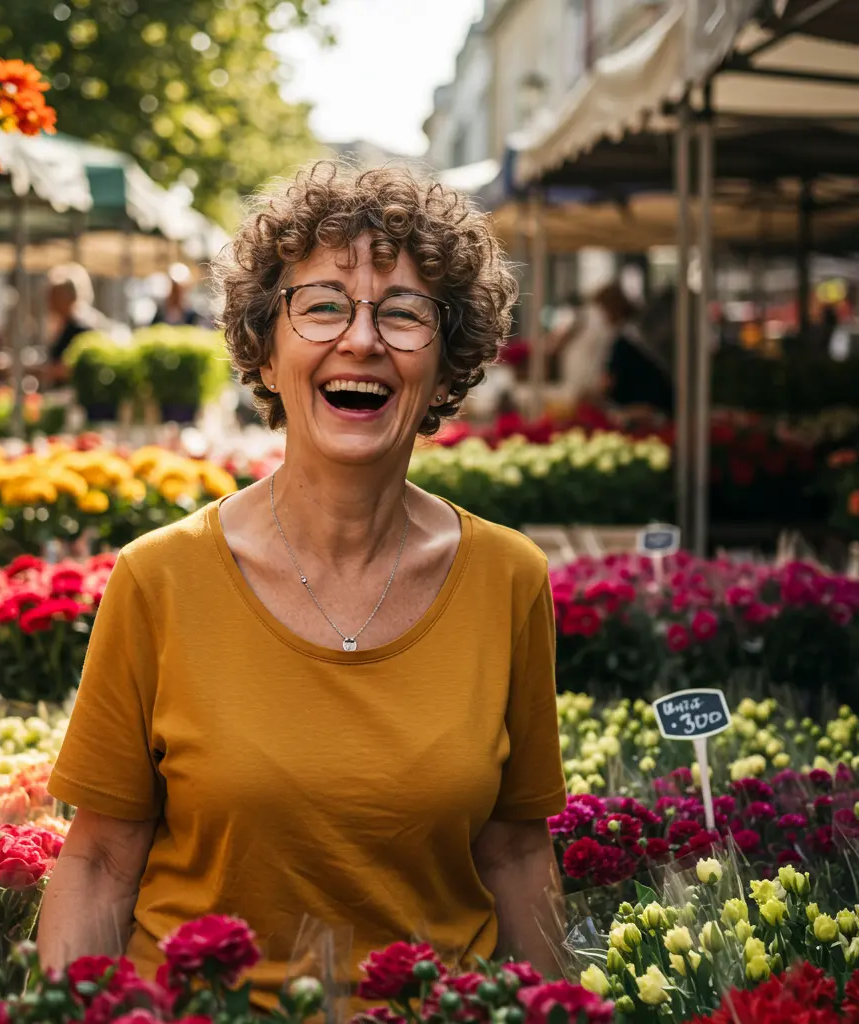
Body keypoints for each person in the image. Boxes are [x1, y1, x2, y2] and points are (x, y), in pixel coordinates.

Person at [39, 163, 567, 999]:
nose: (361, 339)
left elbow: (515, 850)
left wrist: (559, 1010)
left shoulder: (509, 578)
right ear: (267, 343)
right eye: (323, 305)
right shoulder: (158, 579)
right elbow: (100, 862)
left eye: (403, 313)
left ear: (448, 357)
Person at [599, 283, 673, 415]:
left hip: (645, 408)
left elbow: (609, 381)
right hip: (658, 402)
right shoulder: (637, 330)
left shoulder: (626, 338)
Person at [40, 264, 97, 386]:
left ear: (68, 297)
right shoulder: (63, 327)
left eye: (54, 296)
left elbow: (72, 368)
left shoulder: (81, 328)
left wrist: (40, 371)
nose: (49, 302)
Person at [152, 262, 204, 326]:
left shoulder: (191, 314)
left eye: (180, 289)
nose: (177, 292)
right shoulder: (160, 311)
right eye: (174, 288)